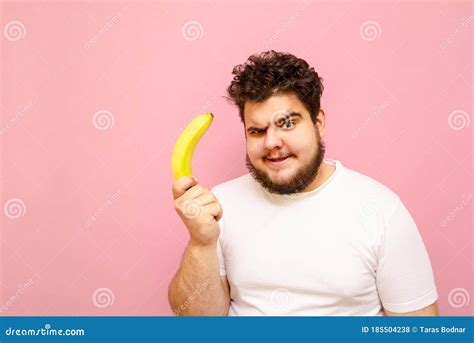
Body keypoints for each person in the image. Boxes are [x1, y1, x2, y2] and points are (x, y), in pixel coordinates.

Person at [168, 51, 439, 316]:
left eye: (287, 124)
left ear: (318, 123)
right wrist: (201, 242)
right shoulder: (221, 205)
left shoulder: (381, 210)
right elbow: (196, 322)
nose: (271, 142)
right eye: (257, 131)